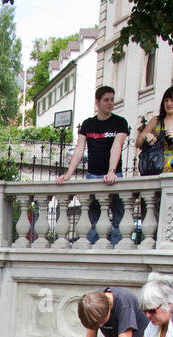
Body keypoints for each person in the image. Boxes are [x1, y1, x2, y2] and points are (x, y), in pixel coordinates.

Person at [57, 86, 130, 244]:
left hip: (113, 176)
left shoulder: (120, 122)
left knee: (119, 217)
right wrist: (69, 174)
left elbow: (116, 146)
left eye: (112, 99)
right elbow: (79, 149)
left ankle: (118, 250)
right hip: (93, 176)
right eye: (106, 100)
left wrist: (111, 171)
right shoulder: (88, 124)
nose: (110, 103)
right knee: (92, 220)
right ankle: (93, 249)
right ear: (97, 102)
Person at [135, 86, 173, 173]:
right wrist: (145, 136)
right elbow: (137, 143)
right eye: (166, 100)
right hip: (154, 170)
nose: (168, 103)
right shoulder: (156, 121)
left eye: (172, 100)